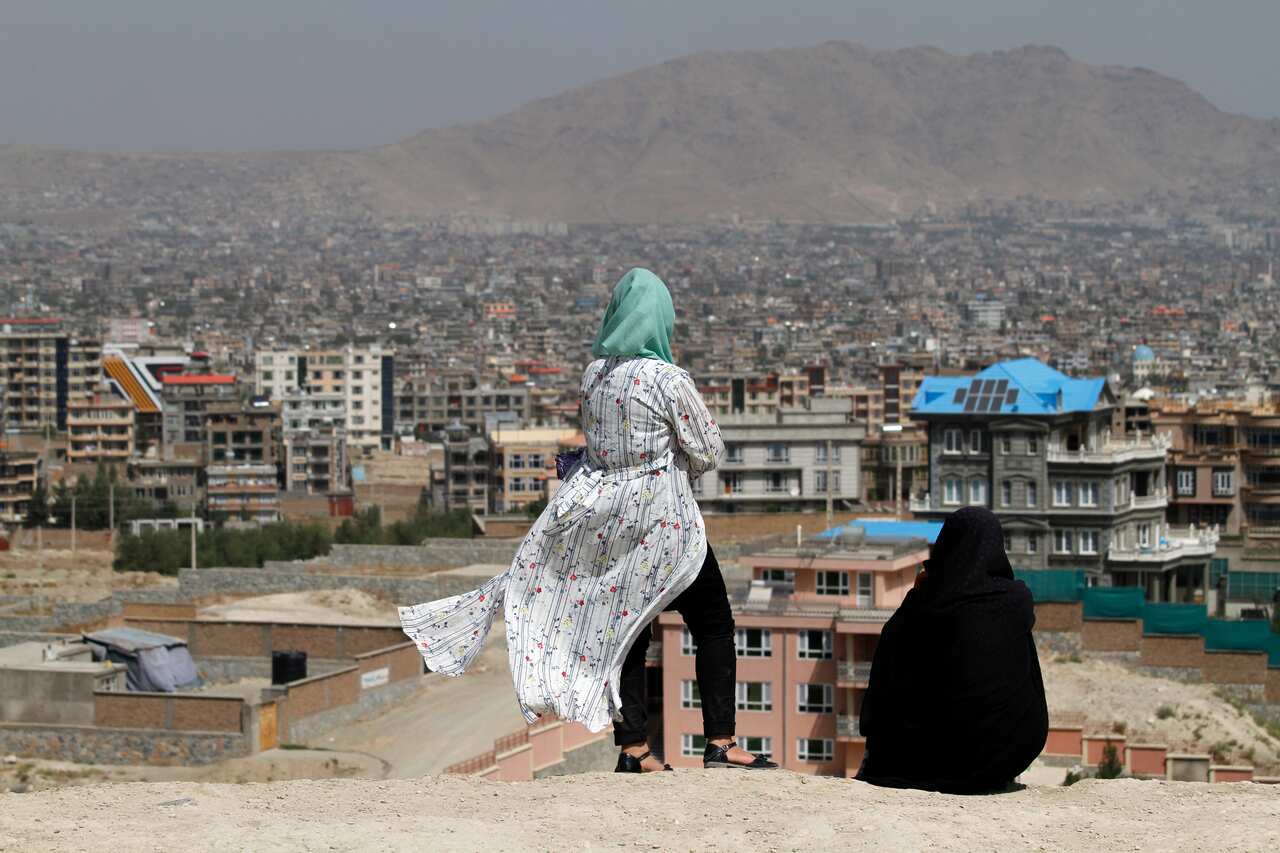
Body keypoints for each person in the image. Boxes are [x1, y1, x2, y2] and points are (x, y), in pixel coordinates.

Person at [399, 268, 775, 773]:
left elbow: (596, 448)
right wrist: (673, 464)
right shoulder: (669, 380)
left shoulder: (593, 375)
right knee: (712, 624)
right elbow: (708, 450)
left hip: (604, 524)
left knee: (627, 632)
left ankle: (634, 749)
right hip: (666, 526)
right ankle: (722, 743)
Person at [856, 506, 1048, 793]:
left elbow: (888, 670)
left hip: (920, 761)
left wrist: (914, 598)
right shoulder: (1016, 601)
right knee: (1018, 645)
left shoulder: (924, 605)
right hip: (1001, 758)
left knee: (905, 639)